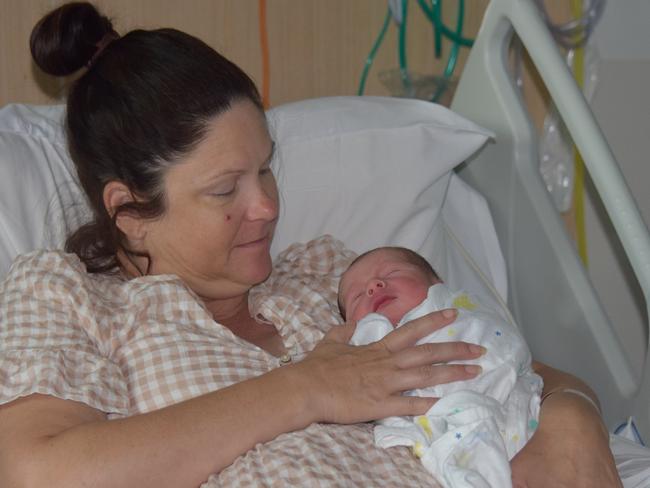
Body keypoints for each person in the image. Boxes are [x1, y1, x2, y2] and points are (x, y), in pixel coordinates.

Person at [0, 2, 621, 487]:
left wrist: (571, 412)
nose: (267, 207)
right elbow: (41, 473)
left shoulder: (336, 279)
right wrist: (306, 389)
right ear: (129, 211)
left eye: (265, 170)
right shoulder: (73, 300)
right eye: (225, 190)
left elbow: (502, 365)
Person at [338, 246, 544, 487]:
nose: (373, 286)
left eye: (392, 272)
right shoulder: (371, 342)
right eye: (357, 297)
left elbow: (507, 344)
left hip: (514, 405)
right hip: (452, 425)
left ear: (437, 282)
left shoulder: (458, 306)